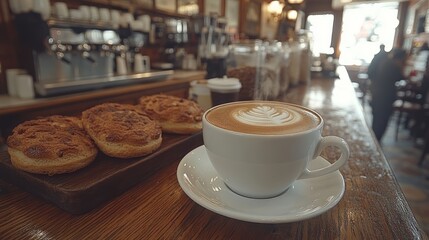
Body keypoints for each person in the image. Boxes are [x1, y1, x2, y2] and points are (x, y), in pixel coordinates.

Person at [371, 48, 407, 142]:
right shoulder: (394, 65)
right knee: (382, 120)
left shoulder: (386, 61)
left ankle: (374, 140)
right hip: (386, 96)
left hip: (377, 93)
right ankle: (376, 141)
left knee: (376, 119)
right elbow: (401, 77)